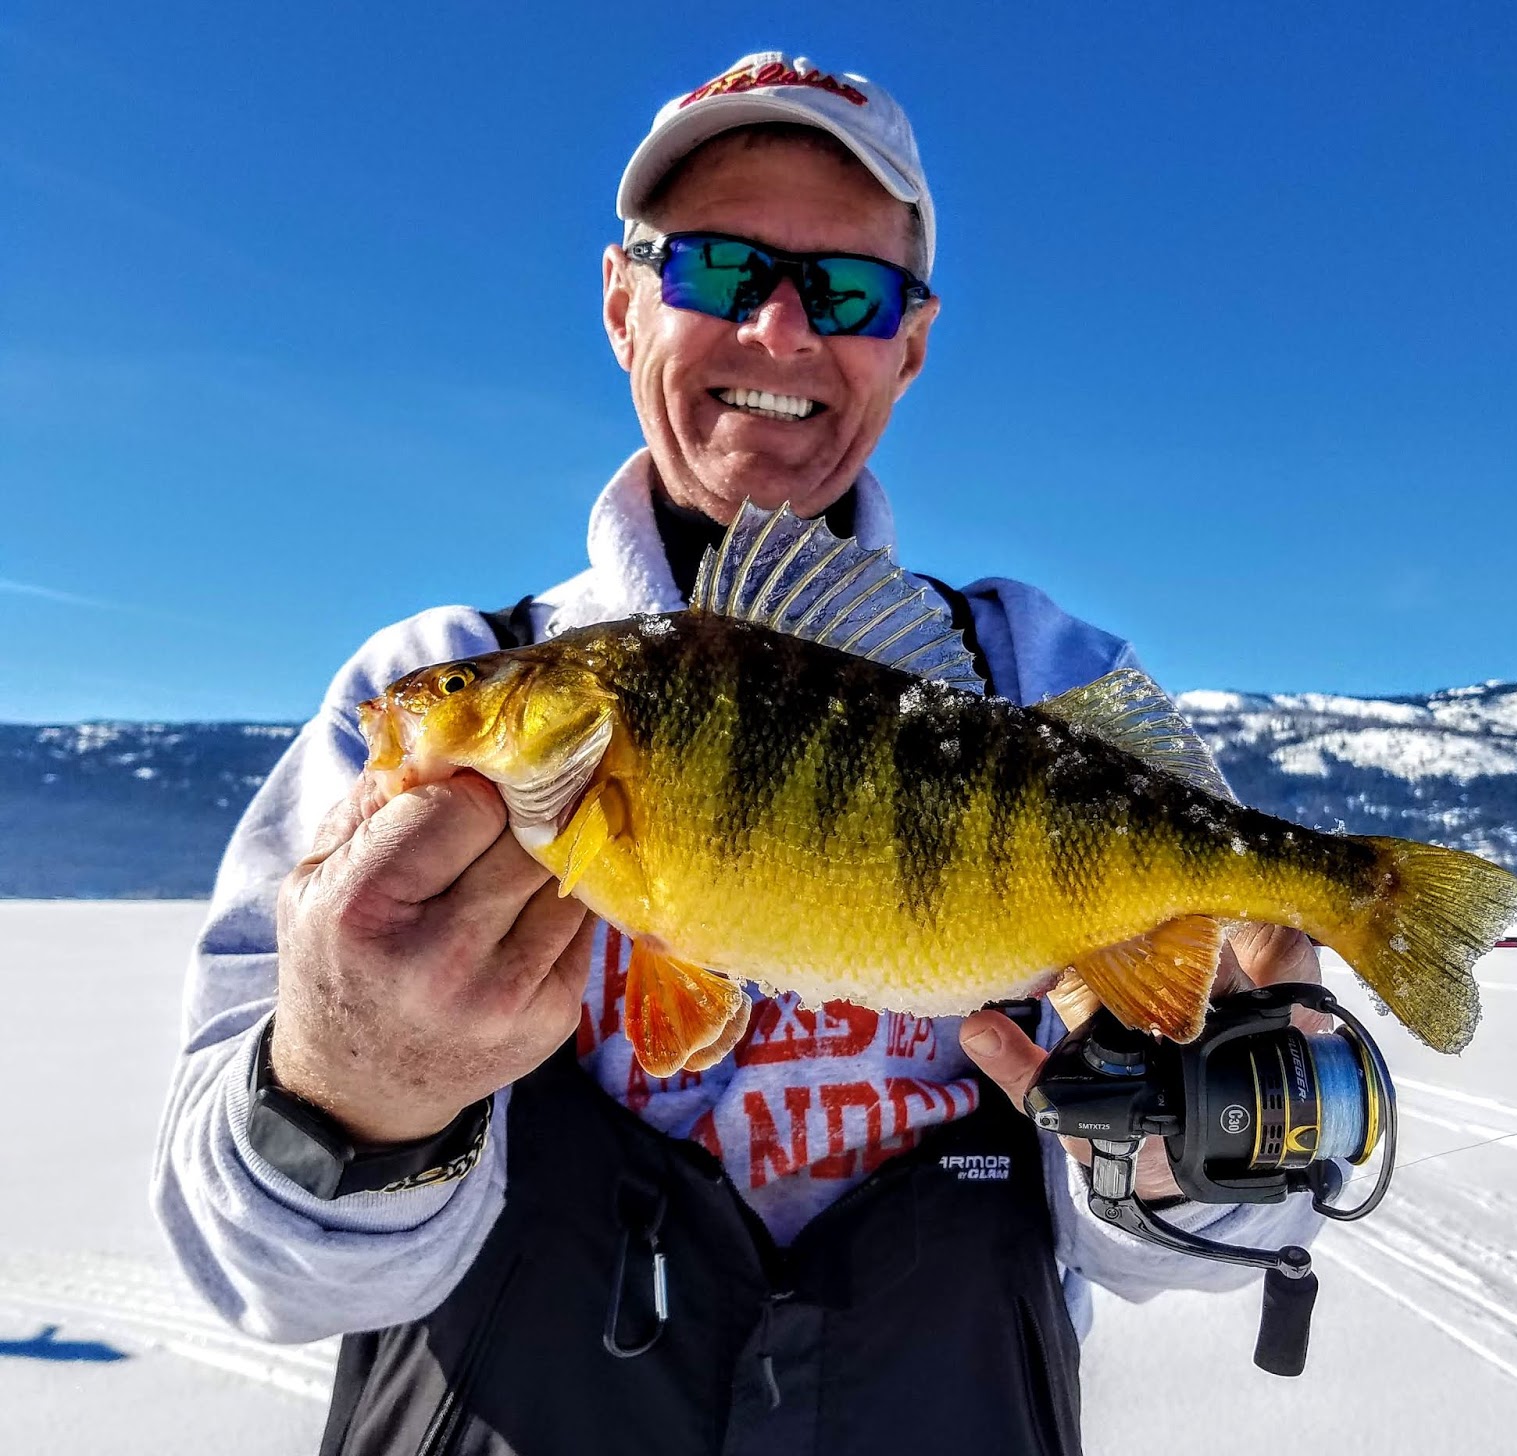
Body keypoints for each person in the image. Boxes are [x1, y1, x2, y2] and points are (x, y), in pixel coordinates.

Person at [154, 52, 1323, 1456]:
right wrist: (348, 1088)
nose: (779, 331)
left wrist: (1208, 1120)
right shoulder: (409, 696)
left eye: (847, 290)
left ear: (912, 343)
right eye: (717, 267)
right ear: (621, 299)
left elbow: (1214, 1246)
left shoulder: (1045, 686)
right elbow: (257, 1275)